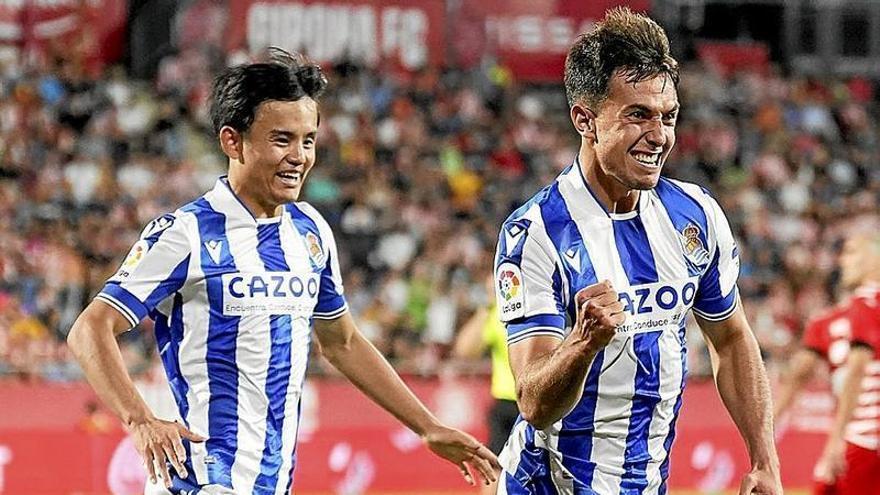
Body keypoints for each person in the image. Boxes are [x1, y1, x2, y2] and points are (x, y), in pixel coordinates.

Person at [67, 48, 499, 494]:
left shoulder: (309, 232)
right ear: (232, 141)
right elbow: (90, 329)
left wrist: (428, 427)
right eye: (281, 140)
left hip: (272, 482)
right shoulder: (186, 234)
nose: (299, 156)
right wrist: (140, 420)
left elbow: (343, 341)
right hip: (201, 480)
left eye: (307, 140)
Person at [491, 7, 780, 494]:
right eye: (637, 115)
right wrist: (583, 343)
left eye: (668, 116)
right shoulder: (535, 233)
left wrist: (763, 459)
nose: (660, 135)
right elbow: (533, 404)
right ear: (585, 119)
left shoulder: (696, 215)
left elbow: (731, 339)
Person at [811, 233, 880, 495]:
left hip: (865, 436)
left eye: (852, 253)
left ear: (874, 261)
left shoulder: (863, 303)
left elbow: (858, 370)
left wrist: (836, 438)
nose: (843, 262)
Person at [453, 273, 520, 495]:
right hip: (507, 404)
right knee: (495, 469)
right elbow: (464, 350)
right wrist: (488, 306)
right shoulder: (495, 315)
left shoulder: (535, 310)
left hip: (542, 400)